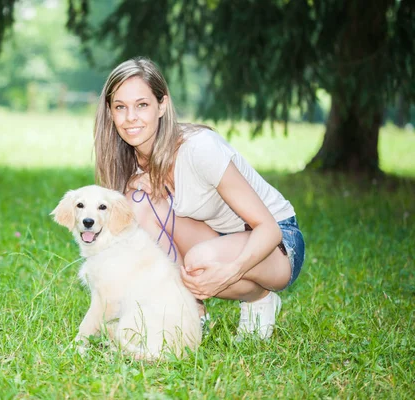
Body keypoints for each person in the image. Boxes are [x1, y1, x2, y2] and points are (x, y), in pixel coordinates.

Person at [92, 57, 305, 340]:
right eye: (121, 107)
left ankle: (259, 298)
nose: (131, 117)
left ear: (162, 105)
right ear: (110, 112)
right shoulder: (130, 161)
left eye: (142, 105)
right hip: (218, 238)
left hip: (275, 244)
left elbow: (268, 228)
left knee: (198, 260)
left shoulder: (199, 149)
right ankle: (192, 314)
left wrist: (229, 272)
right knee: (136, 205)